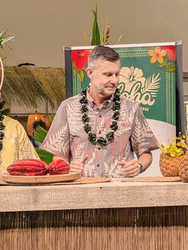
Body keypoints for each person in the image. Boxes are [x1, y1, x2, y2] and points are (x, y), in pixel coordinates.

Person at [42, 45, 157, 177]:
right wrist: (68, 168)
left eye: (117, 74)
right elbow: (58, 158)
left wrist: (139, 166)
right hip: (81, 192)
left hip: (121, 192)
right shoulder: (68, 108)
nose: (114, 80)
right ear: (90, 73)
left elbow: (146, 153)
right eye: (108, 74)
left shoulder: (131, 108)